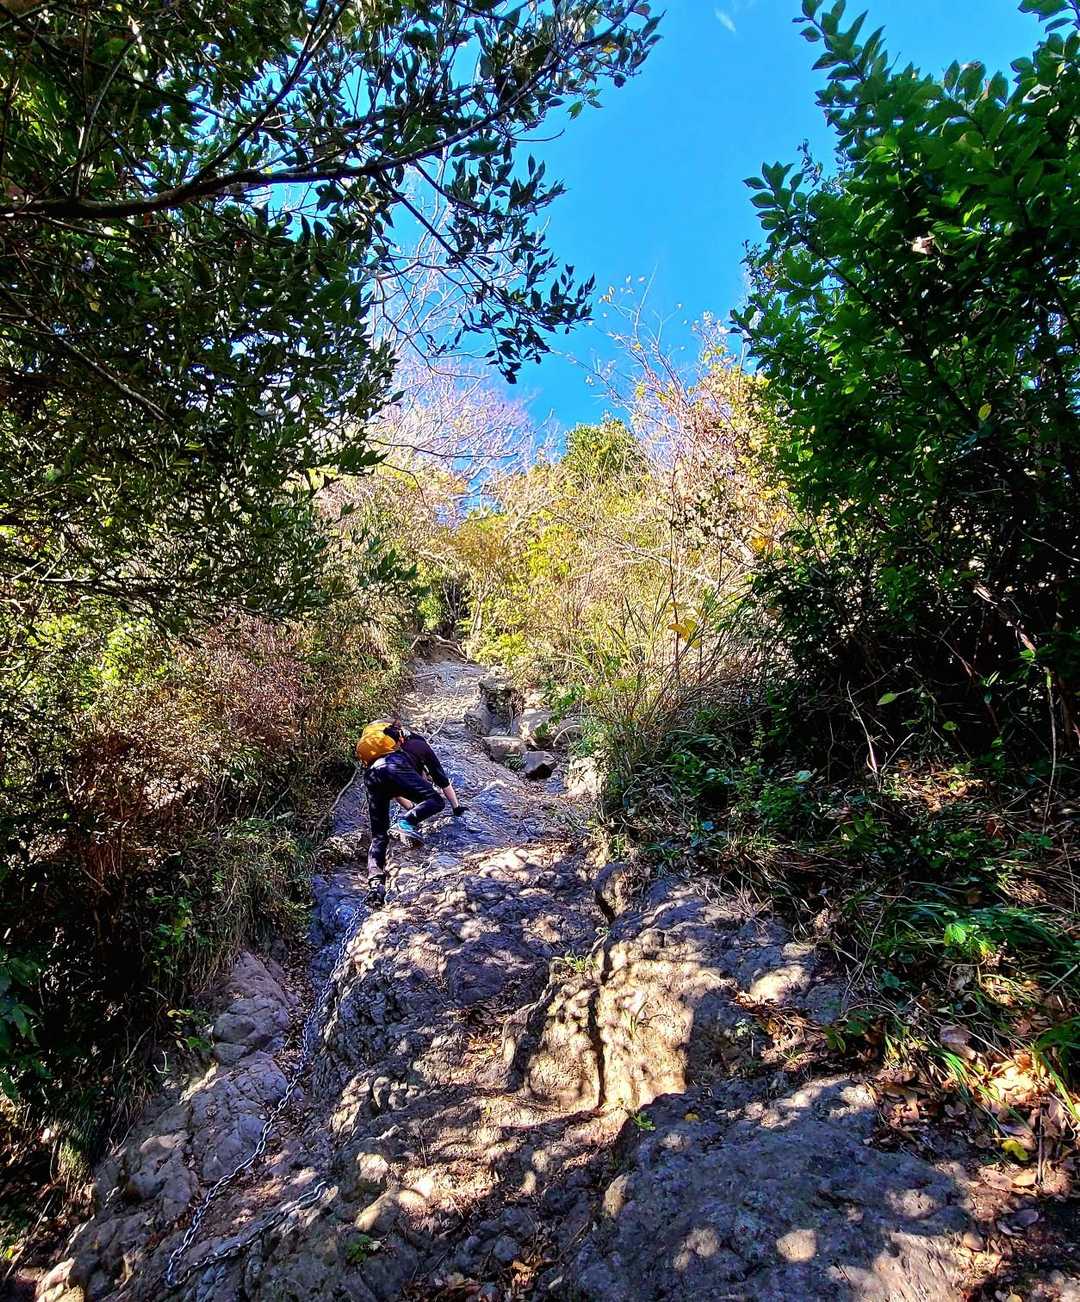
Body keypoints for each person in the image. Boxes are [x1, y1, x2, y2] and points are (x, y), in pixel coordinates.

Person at [359, 720, 467, 904]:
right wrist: (456, 808)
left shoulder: (385, 752)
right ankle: (404, 823)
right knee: (436, 801)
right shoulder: (419, 746)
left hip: (372, 776)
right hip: (394, 769)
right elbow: (441, 780)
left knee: (379, 836)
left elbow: (394, 792)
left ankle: (375, 885)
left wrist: (413, 810)